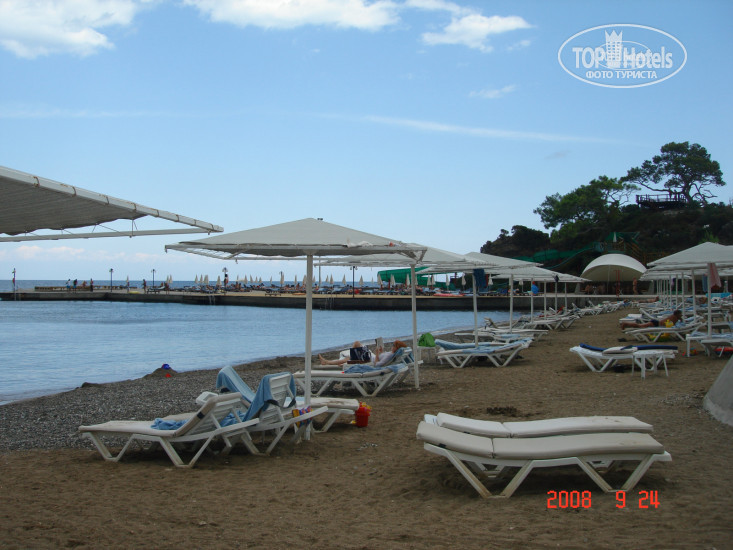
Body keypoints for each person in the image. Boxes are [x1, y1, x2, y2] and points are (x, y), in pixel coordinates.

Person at [319, 340, 407, 367]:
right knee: (350, 356)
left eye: (393, 345)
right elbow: (381, 358)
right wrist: (381, 352)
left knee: (356, 345)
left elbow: (377, 364)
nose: (392, 346)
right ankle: (328, 362)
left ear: (396, 348)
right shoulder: (391, 354)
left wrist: (377, 354)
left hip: (368, 359)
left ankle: (327, 362)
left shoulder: (390, 355)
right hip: (369, 356)